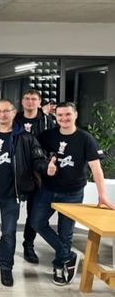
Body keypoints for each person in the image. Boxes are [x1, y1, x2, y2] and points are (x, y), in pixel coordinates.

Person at [32, 101, 115, 286]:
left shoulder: (86, 138)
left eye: (68, 114)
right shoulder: (47, 136)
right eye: (60, 115)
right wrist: (44, 166)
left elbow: (97, 169)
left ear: (75, 115)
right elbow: (35, 154)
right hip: (48, 190)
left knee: (65, 233)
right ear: (55, 117)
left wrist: (102, 195)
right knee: (37, 223)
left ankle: (60, 266)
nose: (64, 118)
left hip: (72, 193)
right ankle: (68, 255)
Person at [0, 99, 47, 287]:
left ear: (14, 113)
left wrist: (47, 167)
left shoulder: (25, 137)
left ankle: (6, 267)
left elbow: (38, 159)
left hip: (11, 195)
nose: (2, 115)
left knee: (8, 233)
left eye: (6, 111)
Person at [15, 89, 56, 263]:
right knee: (10, 210)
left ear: (39, 102)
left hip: (39, 172)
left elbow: (54, 144)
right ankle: (5, 242)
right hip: (17, 170)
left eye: (33, 99)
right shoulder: (15, 118)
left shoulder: (47, 121)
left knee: (33, 211)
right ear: (22, 101)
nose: (30, 101)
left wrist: (49, 163)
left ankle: (28, 245)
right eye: (27, 98)